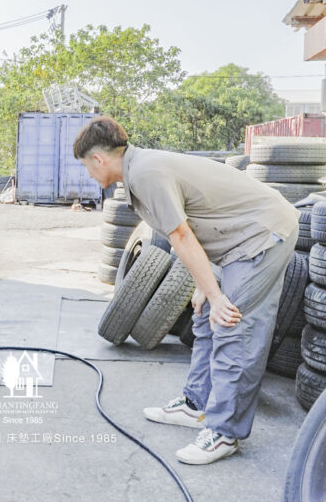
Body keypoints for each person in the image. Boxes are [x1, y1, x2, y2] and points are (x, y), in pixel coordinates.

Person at [73, 116, 299, 465]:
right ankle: (197, 405)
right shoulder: (139, 170)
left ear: (99, 159)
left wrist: (218, 293)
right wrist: (204, 288)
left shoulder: (146, 173)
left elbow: (181, 236)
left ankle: (225, 433)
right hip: (234, 239)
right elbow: (194, 224)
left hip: (261, 234)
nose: (89, 174)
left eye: (87, 167)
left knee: (232, 324)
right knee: (207, 313)